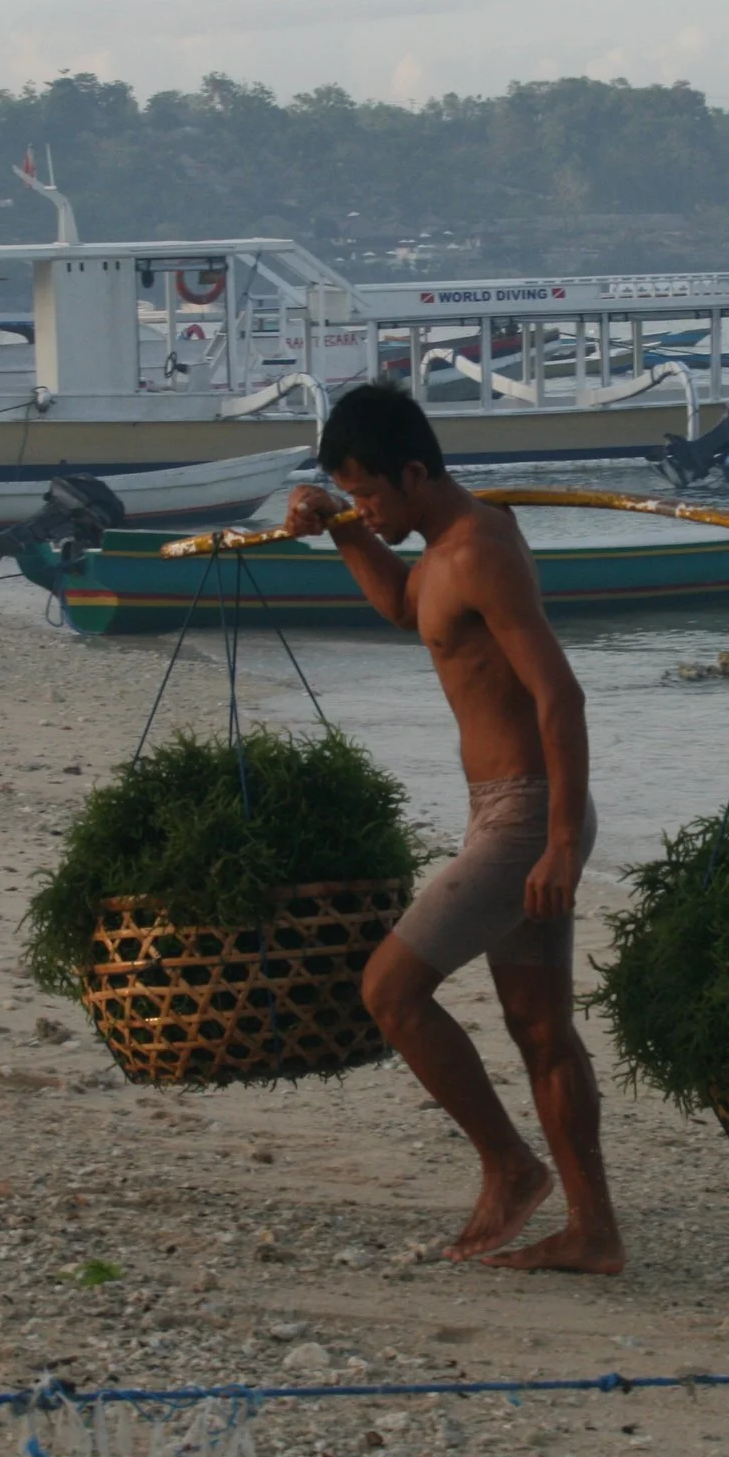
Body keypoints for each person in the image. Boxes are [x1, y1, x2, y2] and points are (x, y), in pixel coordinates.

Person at [284, 384, 624, 1275]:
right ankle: (593, 1231)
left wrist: (556, 843)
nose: (367, 508)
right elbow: (407, 608)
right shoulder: (435, 549)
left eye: (371, 494)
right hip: (502, 809)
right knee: (539, 1026)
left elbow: (561, 694)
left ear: (414, 470)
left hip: (524, 817)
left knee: (390, 989)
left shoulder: (478, 550)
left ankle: (511, 1165)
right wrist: (343, 529)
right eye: (352, 495)